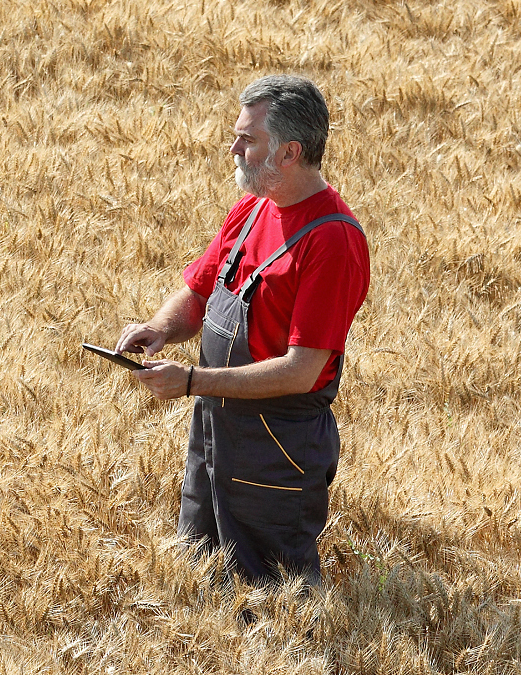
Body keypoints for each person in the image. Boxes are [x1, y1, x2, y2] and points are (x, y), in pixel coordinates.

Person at [116, 76, 370, 588]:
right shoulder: (253, 208)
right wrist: (160, 328)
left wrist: (191, 382)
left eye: (247, 139)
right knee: (200, 573)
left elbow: (303, 372)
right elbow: (200, 292)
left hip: (276, 449)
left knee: (275, 597)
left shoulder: (333, 242)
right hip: (214, 430)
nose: (233, 148)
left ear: (289, 152)